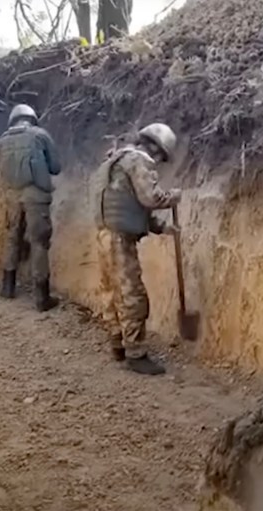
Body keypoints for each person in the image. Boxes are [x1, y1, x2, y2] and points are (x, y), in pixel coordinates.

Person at [93, 123, 182, 376]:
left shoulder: (116, 161)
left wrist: (163, 228)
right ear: (155, 147)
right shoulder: (138, 162)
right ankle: (136, 353)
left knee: (112, 291)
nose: (159, 162)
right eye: (162, 157)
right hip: (120, 240)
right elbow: (149, 199)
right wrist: (172, 197)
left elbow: (131, 206)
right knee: (133, 295)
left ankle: (117, 344)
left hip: (104, 234)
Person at [0, 103, 62, 312]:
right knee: (39, 242)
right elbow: (55, 167)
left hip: (12, 196)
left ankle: (7, 287)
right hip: (36, 196)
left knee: (12, 237)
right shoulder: (40, 135)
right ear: (32, 118)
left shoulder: (3, 140)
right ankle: (42, 297)